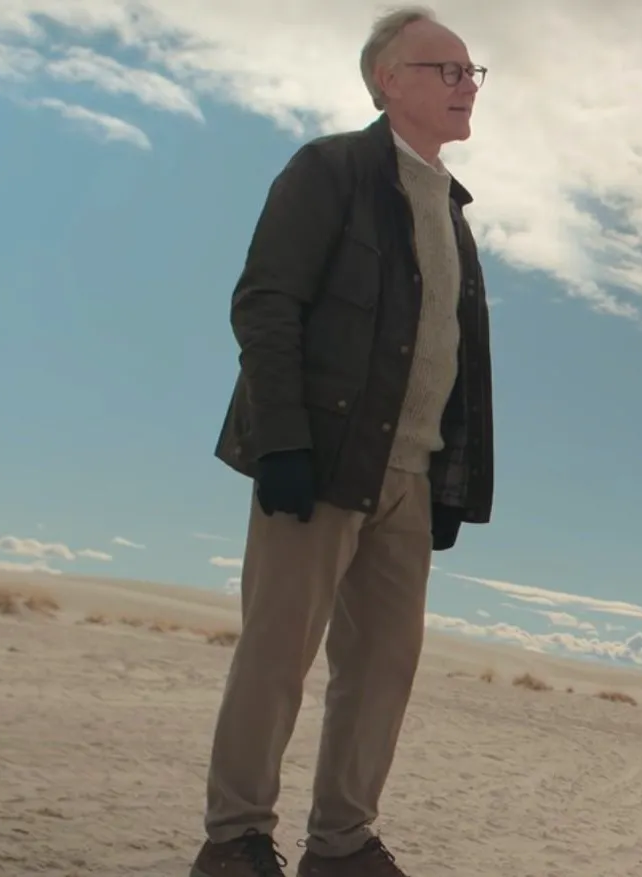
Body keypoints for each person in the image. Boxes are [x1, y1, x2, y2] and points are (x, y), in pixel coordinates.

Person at [191, 6, 495, 876]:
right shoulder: (330, 170)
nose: (466, 85)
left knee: (382, 674)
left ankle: (342, 843)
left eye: (473, 72)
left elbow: (452, 359)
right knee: (277, 655)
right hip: (320, 460)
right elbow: (266, 303)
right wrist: (282, 441)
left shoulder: (455, 213)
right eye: (447, 70)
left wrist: (449, 483)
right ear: (387, 81)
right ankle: (236, 838)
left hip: (409, 474)